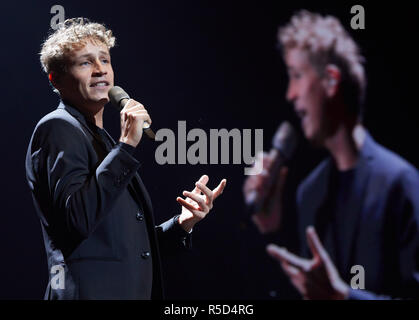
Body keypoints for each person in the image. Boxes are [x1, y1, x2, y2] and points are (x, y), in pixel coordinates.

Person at [25, 18, 226, 300]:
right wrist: (127, 145)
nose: (99, 70)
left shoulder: (103, 141)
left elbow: (131, 251)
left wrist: (183, 223)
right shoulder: (57, 128)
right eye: (85, 63)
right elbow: (76, 220)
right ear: (55, 78)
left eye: (104, 60)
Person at [243, 10, 419, 299]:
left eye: (297, 76)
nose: (290, 94)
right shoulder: (310, 192)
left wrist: (345, 298)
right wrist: (270, 229)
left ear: (331, 81)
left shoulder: (401, 184)